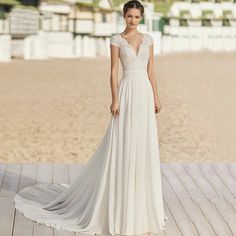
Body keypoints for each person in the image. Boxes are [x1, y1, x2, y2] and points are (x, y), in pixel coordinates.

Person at [14, 0, 168, 235]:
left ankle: (141, 207)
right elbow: (113, 72)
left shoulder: (148, 40)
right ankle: (120, 205)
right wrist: (115, 99)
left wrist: (156, 96)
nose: (133, 21)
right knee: (123, 145)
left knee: (142, 146)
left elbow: (152, 70)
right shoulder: (116, 40)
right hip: (126, 92)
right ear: (123, 16)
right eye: (129, 17)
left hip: (144, 94)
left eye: (137, 17)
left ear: (141, 17)